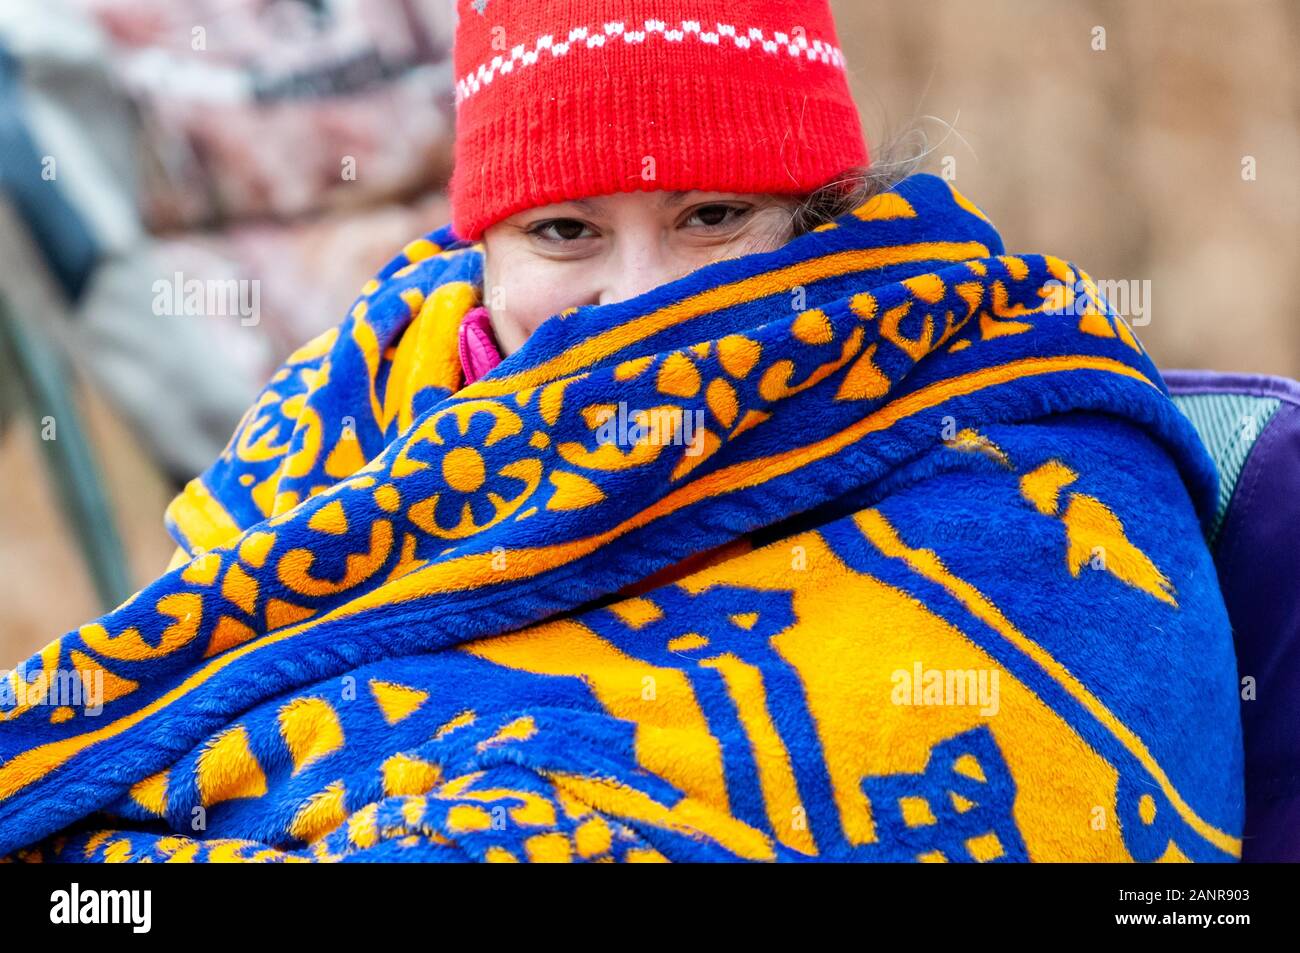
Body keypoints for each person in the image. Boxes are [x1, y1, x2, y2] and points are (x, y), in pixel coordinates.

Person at [0, 0, 1244, 863]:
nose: (642, 299)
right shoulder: (347, 431)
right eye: (564, 232)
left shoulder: (1016, 438)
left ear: (824, 218)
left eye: (710, 216)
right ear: (473, 251)